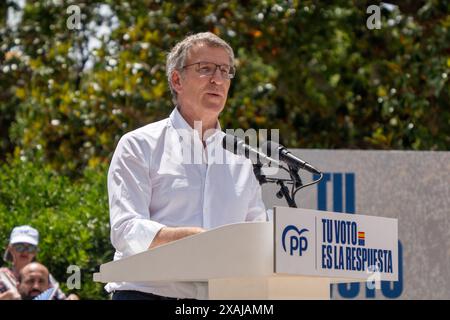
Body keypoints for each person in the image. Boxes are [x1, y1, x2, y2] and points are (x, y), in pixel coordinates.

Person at [107, 32, 267, 300]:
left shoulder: (241, 157)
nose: (217, 79)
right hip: (146, 293)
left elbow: (256, 234)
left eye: (225, 71)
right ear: (177, 80)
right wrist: (195, 239)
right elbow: (126, 231)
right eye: (205, 69)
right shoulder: (139, 145)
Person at [0, 225, 78, 300]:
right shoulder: (2, 276)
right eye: (19, 247)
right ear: (10, 249)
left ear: (35, 252)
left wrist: (73, 297)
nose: (25, 251)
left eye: (30, 248)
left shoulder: (45, 276)